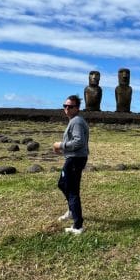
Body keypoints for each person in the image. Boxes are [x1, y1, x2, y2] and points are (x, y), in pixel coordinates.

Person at [53, 95, 89, 234]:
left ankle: (78, 226)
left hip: (75, 160)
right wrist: (62, 149)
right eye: (65, 106)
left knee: (73, 190)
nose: (67, 108)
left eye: (70, 106)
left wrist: (60, 145)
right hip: (73, 158)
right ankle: (71, 210)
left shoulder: (77, 121)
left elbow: (79, 141)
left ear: (77, 108)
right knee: (62, 184)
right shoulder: (74, 121)